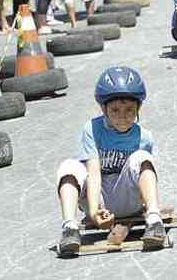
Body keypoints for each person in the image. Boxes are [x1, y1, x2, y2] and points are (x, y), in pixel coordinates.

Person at [55, 66, 165, 255]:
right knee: (69, 166)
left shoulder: (144, 136)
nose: (123, 116)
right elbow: (93, 171)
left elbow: (146, 178)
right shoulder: (92, 128)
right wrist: (94, 211)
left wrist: (145, 207)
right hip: (100, 199)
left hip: (130, 200)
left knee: (142, 158)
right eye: (115, 110)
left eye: (130, 110)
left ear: (139, 108)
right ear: (104, 109)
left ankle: (155, 221)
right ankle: (69, 228)